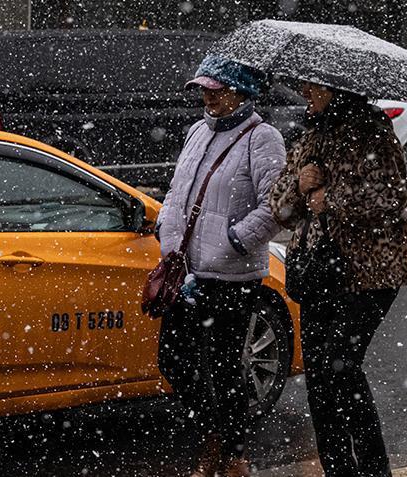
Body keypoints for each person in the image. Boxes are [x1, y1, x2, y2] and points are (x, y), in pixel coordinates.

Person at [270, 82, 407, 477]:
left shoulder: (373, 132)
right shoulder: (310, 136)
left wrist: (332, 200)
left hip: (367, 273)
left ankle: (373, 468)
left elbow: (391, 198)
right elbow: (280, 209)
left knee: (342, 365)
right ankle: (338, 469)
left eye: (314, 86)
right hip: (317, 271)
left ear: (337, 89)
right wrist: (300, 187)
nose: (305, 91)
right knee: (319, 379)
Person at [156, 55, 286, 477]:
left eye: (217, 90)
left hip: (231, 276)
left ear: (242, 93)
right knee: (174, 360)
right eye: (204, 90)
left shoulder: (262, 139)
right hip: (186, 272)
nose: (208, 97)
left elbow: (276, 207)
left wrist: (234, 240)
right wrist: (165, 225)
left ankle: (233, 453)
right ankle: (216, 433)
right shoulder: (197, 131)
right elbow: (179, 191)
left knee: (226, 367)